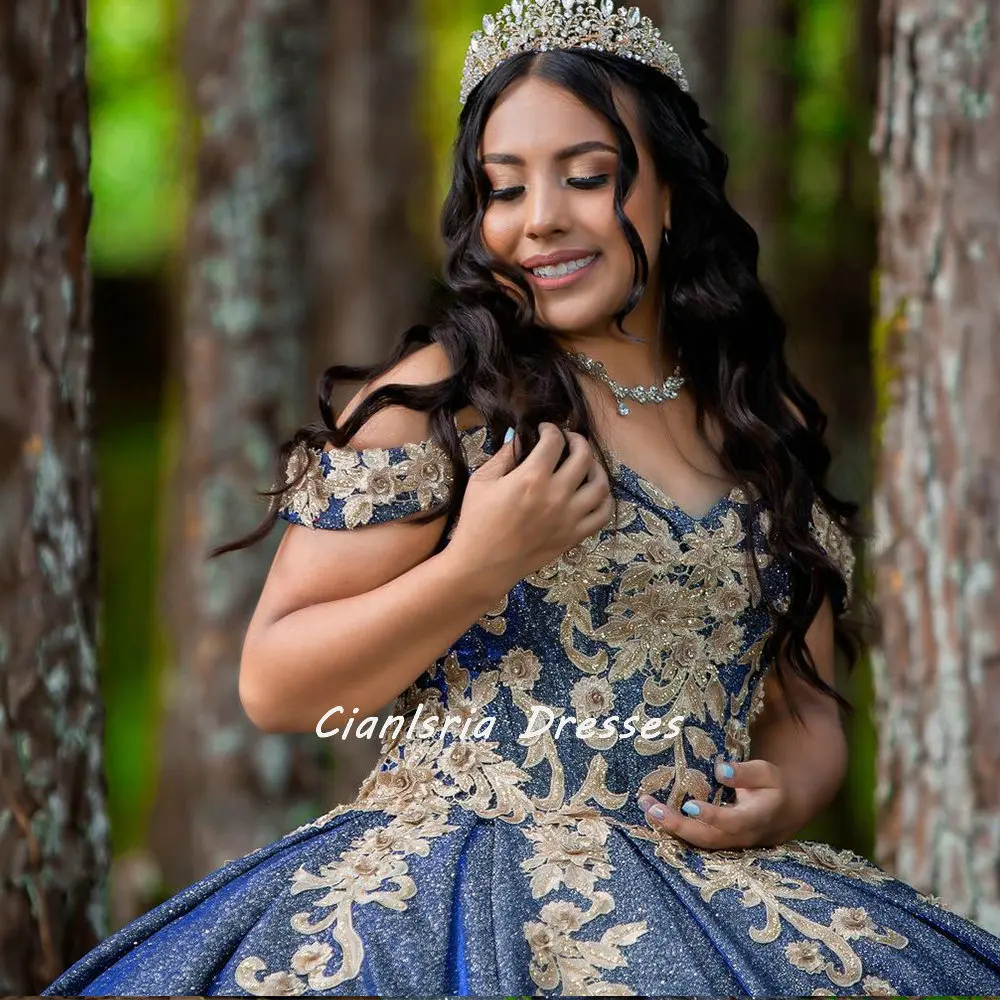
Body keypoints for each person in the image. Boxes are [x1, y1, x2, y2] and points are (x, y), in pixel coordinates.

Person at [43, 1, 1000, 996]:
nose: (538, 217)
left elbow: (802, 713)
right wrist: (476, 565)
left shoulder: (761, 422)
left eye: (585, 176)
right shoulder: (439, 403)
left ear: (669, 192)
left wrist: (785, 792)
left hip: (719, 904)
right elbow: (277, 683)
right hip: (449, 888)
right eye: (503, 189)